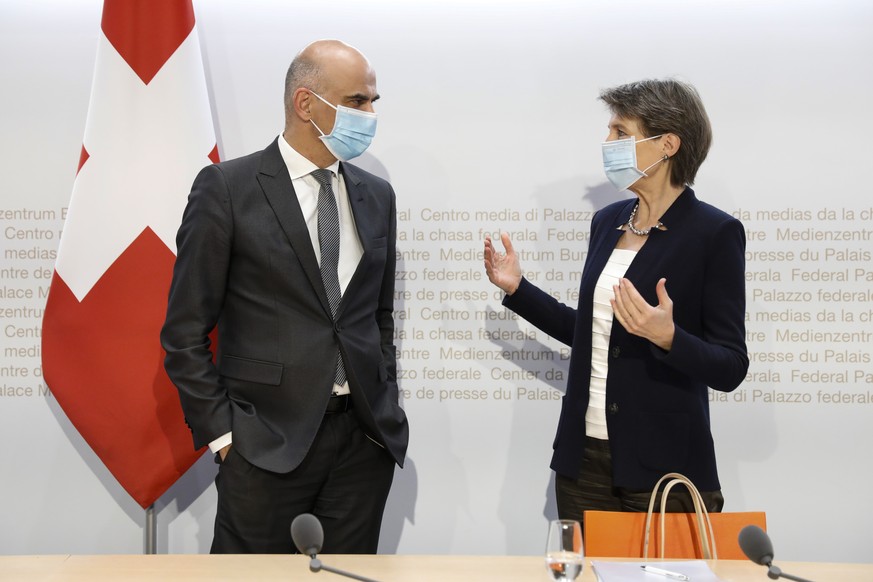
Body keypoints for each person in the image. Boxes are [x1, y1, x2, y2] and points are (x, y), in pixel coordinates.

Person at [161, 39, 408, 554]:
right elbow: (184, 333)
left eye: (372, 102)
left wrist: (382, 400)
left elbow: (376, 316)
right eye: (358, 101)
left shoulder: (376, 194)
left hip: (362, 445)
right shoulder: (227, 187)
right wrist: (228, 440)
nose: (370, 113)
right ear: (305, 103)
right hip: (263, 446)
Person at [484, 79, 747, 526]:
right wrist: (518, 288)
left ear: (667, 144)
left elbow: (730, 366)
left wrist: (669, 337)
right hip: (583, 458)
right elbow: (590, 332)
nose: (607, 143)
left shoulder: (714, 233)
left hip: (664, 466)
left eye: (621, 133)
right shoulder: (607, 222)